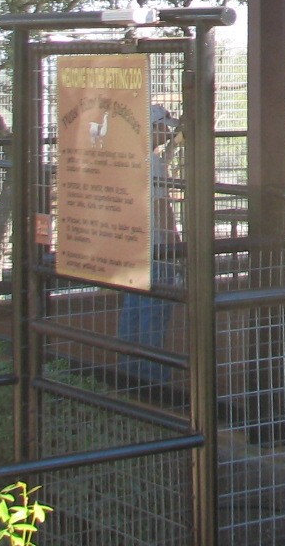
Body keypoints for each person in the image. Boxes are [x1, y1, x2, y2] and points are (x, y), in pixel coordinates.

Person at [117, 104, 182, 381]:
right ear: (152, 128)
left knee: (133, 307)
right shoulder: (152, 163)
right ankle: (155, 381)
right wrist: (176, 248)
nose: (166, 134)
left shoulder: (129, 157)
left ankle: (128, 374)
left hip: (132, 246)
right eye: (162, 128)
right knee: (154, 314)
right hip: (156, 249)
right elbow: (161, 208)